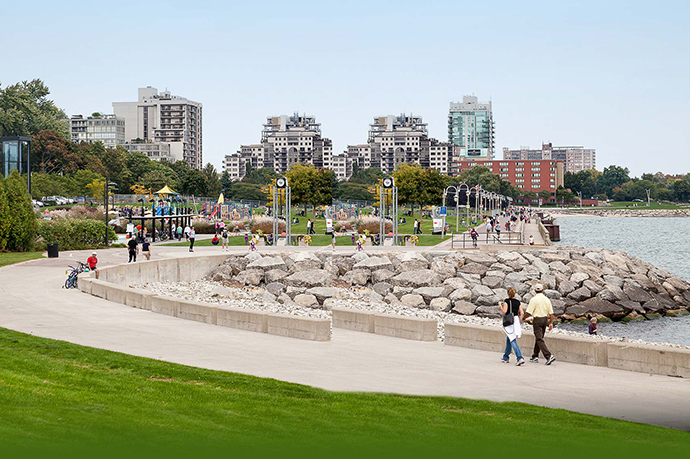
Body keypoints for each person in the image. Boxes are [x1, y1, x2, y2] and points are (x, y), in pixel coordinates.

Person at [523, 283, 556, 365]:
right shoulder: (546, 299)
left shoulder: (533, 300)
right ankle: (535, 356)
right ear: (542, 290)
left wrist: (523, 318)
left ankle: (548, 356)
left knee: (539, 339)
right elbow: (551, 313)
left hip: (537, 320)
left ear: (535, 290)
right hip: (545, 320)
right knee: (539, 338)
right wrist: (551, 323)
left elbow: (529, 312)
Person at [500, 287, 525, 366]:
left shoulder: (507, 301)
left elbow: (504, 311)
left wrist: (500, 305)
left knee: (512, 339)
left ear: (508, 293)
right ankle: (506, 356)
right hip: (516, 320)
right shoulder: (517, 302)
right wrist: (520, 321)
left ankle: (519, 357)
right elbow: (522, 313)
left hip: (509, 321)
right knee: (510, 337)